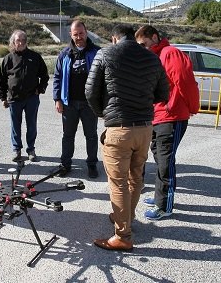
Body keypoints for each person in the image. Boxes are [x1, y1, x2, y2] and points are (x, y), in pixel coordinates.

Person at [86, 24, 169, 251]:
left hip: (119, 129)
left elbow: (90, 92)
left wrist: (105, 113)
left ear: (114, 38)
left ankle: (123, 235)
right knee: (135, 178)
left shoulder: (105, 54)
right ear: (133, 37)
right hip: (144, 129)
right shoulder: (152, 58)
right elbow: (164, 93)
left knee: (118, 184)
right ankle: (126, 218)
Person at [135, 25, 200, 220]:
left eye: (143, 44)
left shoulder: (169, 53)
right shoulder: (155, 56)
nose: (142, 48)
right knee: (159, 159)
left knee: (165, 163)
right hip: (159, 116)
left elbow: (186, 82)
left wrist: (189, 107)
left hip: (172, 117)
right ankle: (159, 197)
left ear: (154, 37)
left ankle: (164, 206)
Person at [53, 20, 100, 178]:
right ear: (71, 35)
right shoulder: (65, 54)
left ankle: (92, 165)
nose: (79, 37)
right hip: (69, 103)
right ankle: (65, 164)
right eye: (75, 34)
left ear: (86, 32)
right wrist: (57, 99)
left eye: (81, 33)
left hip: (89, 104)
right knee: (67, 136)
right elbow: (57, 78)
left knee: (91, 136)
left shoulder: (97, 52)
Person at [0, 30, 49, 162]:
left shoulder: (35, 57)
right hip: (14, 99)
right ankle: (16, 149)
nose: (20, 43)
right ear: (13, 42)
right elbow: (2, 80)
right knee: (15, 125)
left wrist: (40, 89)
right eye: (17, 41)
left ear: (26, 42)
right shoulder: (8, 59)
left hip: (32, 97)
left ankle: (31, 149)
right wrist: (3, 98)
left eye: (22, 40)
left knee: (31, 124)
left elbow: (44, 75)